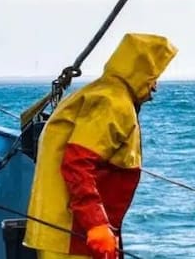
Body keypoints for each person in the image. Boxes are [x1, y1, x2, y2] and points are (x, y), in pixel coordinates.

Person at [24, 33, 178, 259]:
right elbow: (77, 163)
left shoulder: (97, 92)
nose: (155, 86)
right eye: (153, 76)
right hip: (75, 235)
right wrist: (95, 224)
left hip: (66, 232)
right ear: (139, 72)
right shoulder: (112, 103)